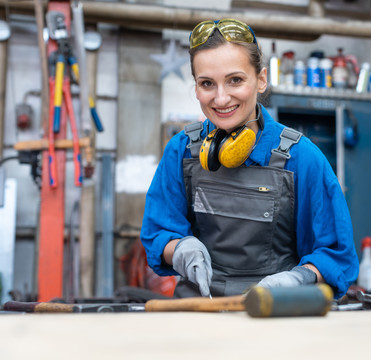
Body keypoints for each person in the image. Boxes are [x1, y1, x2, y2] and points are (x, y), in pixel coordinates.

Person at [140, 18, 358, 298]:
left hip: (274, 313)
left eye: (235, 80)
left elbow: (336, 254)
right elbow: (158, 232)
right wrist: (180, 249)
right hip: (197, 314)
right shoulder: (182, 151)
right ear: (196, 87)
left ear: (261, 79)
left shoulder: (301, 158)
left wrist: (299, 278)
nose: (221, 99)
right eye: (207, 83)